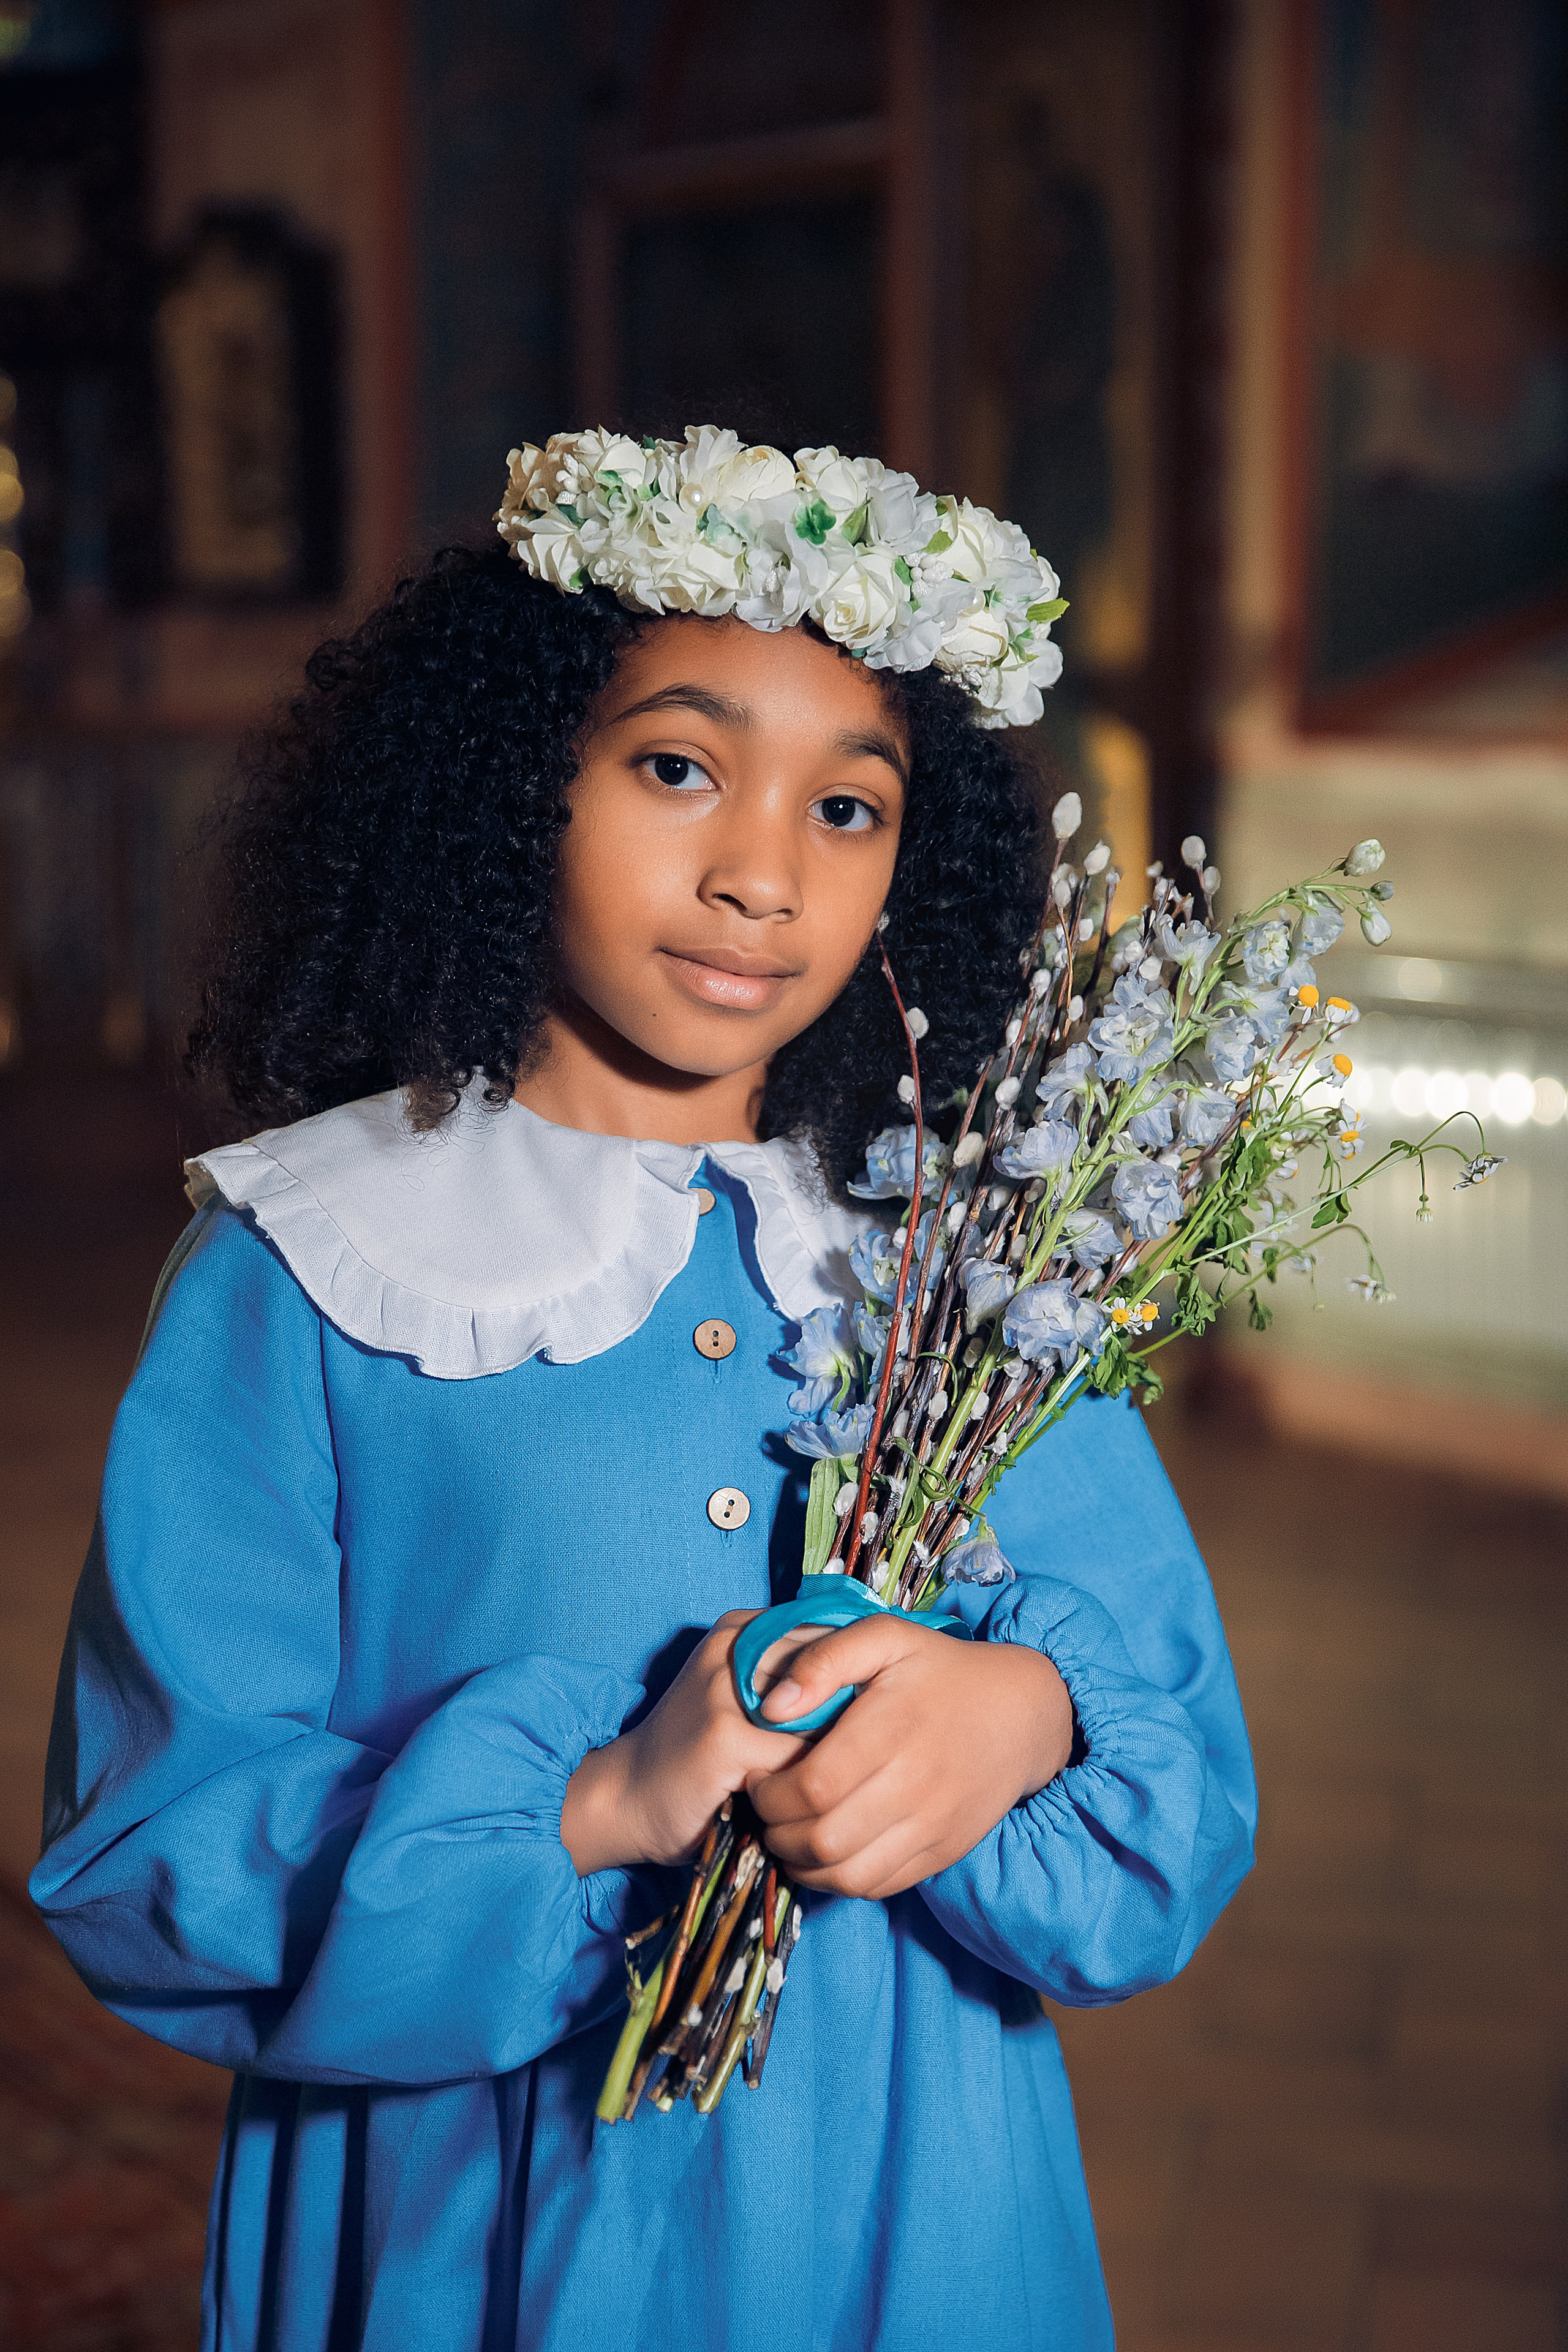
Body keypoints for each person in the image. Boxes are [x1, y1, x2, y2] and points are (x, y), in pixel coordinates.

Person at [31, 429, 1255, 2352]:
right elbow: (147, 1853)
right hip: (469, 2224)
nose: (760, 875)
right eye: (677, 768)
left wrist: (1023, 1712)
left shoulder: (978, 1272)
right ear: (516, 786)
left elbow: (1177, 1767)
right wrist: (589, 1809)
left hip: (908, 2213)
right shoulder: (306, 1272)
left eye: (847, 811)